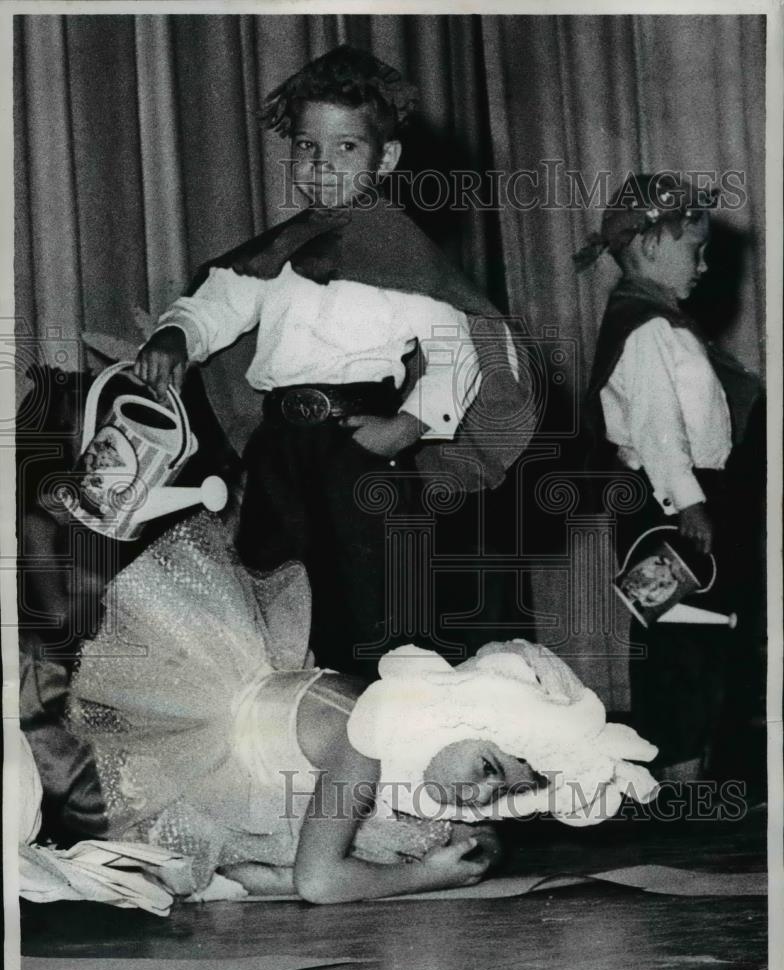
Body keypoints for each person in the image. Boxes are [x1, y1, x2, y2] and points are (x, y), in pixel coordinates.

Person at [132, 46, 534, 675]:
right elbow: (218, 301)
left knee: (376, 598)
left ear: (387, 158)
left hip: (361, 441)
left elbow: (457, 345)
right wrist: (177, 335)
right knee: (270, 580)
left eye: (346, 148)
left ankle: (389, 718)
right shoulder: (282, 250)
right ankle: (292, 719)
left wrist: (408, 425)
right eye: (305, 146)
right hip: (280, 443)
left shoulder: (403, 255)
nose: (321, 165)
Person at [61, 512, 658, 904]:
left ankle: (271, 867)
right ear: (460, 716)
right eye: (488, 772)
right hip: (196, 749)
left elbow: (475, 822)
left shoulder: (423, 733)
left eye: (504, 791)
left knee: (423, 830)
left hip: (286, 758)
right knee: (335, 862)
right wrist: (432, 875)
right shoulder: (365, 739)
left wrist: (482, 842)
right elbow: (318, 885)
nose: (483, 798)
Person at [577, 172, 760, 781]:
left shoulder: (662, 324)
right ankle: (680, 778)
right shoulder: (647, 330)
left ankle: (694, 772)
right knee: (679, 641)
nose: (704, 265)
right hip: (665, 507)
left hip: (684, 498)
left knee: (702, 637)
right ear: (651, 244)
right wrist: (690, 504)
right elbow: (658, 430)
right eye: (695, 249)